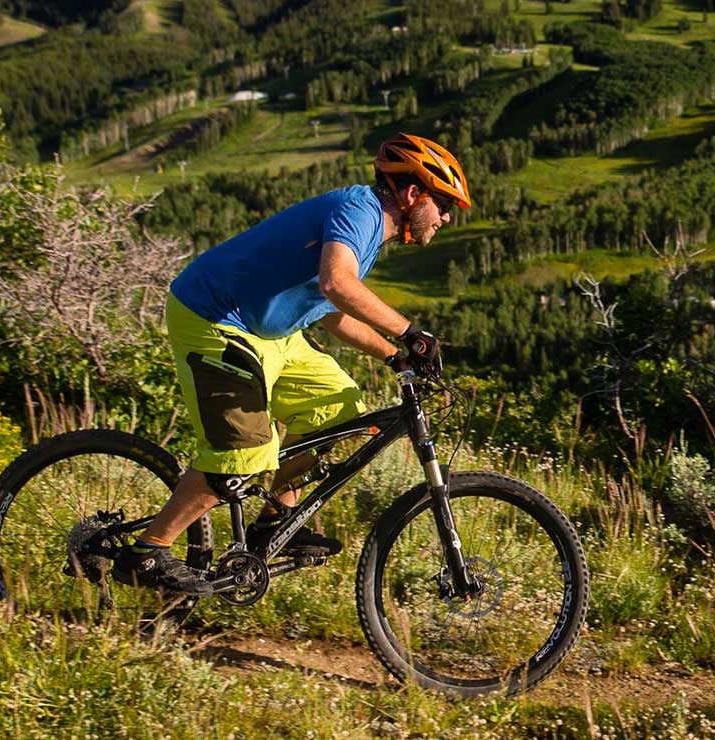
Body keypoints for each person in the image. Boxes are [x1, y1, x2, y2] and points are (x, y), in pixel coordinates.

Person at [113, 134, 472, 594]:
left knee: (337, 410)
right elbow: (336, 283)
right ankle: (146, 552)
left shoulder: (368, 232)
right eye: (443, 204)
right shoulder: (360, 211)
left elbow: (330, 310)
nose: (445, 216)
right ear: (412, 193)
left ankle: (274, 523)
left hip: (270, 334)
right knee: (243, 453)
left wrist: (393, 355)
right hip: (215, 319)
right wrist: (409, 331)